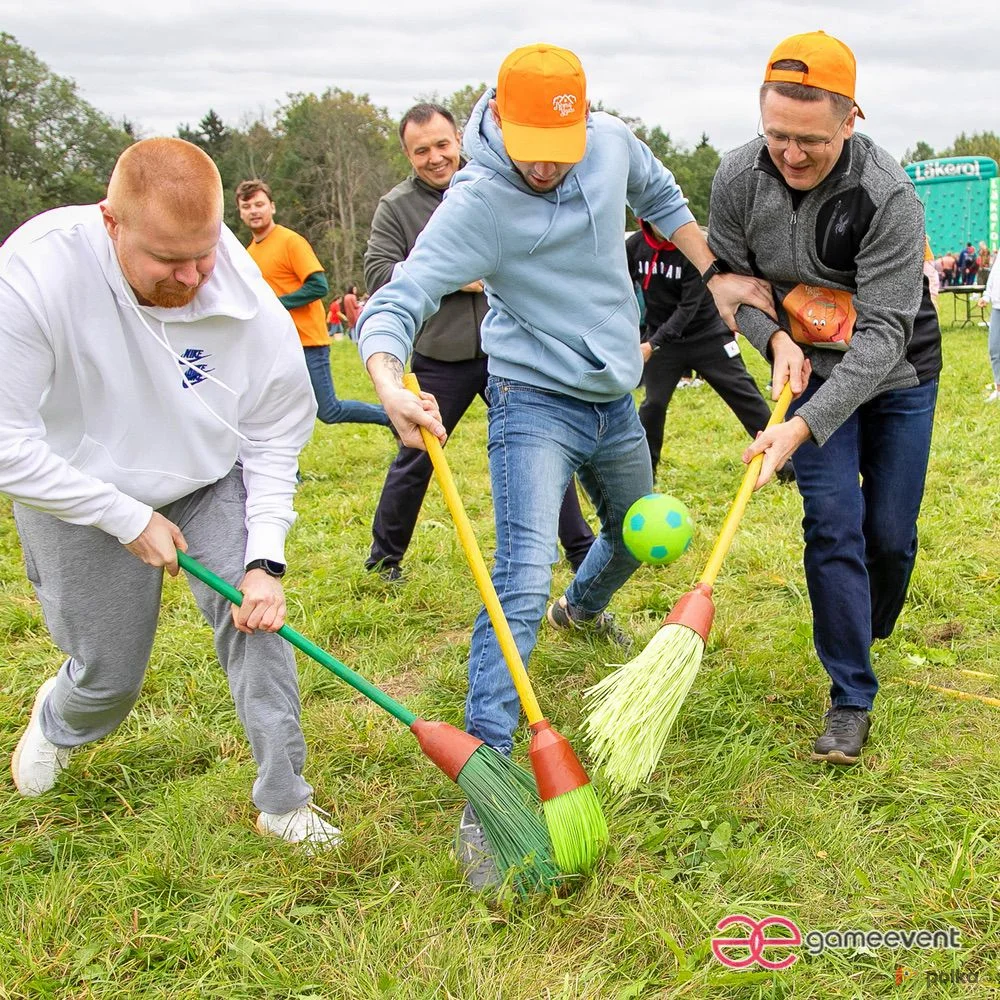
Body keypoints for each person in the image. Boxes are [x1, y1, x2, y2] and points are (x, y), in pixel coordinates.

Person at [355, 43, 772, 885]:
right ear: (499, 123)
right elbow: (398, 298)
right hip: (530, 401)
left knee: (635, 539)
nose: (547, 167)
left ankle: (579, 611)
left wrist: (716, 272)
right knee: (513, 577)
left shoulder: (610, 143)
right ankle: (491, 776)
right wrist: (387, 380)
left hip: (614, 395)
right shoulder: (474, 200)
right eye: (530, 149)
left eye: (564, 150)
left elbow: (660, 194)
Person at [3, 138, 340, 848]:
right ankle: (62, 720)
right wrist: (123, 515)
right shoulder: (34, 273)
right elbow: (7, 442)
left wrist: (265, 561)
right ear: (111, 222)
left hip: (205, 476)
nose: (191, 277)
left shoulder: (242, 294)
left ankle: (284, 799)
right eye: (167, 260)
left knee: (258, 624)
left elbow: (277, 431)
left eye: (203, 253)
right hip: (76, 486)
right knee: (110, 676)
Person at [709, 30, 942, 765]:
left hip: (898, 374)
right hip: (807, 367)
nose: (791, 153)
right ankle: (851, 696)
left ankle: (860, 628)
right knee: (834, 524)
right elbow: (732, 288)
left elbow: (880, 340)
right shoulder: (737, 179)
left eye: (810, 139)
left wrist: (801, 428)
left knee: (889, 539)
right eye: (777, 134)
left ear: (850, 121)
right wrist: (771, 337)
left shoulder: (888, 196)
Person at [363, 102, 595, 582]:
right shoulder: (396, 207)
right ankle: (384, 560)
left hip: (508, 352)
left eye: (442, 145)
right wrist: (458, 276)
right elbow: (380, 274)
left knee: (543, 448)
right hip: (439, 355)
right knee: (416, 452)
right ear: (408, 155)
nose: (435, 158)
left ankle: (582, 552)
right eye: (421, 150)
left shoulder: (496, 187)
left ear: (460, 141)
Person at [626, 218, 794, 482]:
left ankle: (787, 467)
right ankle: (646, 475)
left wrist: (651, 344)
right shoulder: (635, 247)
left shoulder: (694, 248)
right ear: (645, 219)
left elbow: (686, 309)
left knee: (745, 397)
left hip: (707, 337)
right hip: (665, 344)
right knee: (653, 405)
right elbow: (622, 288)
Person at [236, 180, 389, 429]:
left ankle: (391, 416)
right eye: (247, 206)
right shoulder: (249, 253)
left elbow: (319, 286)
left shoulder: (290, 241)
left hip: (308, 343)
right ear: (240, 213)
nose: (254, 210)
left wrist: (275, 305)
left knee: (328, 410)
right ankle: (290, 470)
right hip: (276, 346)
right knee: (281, 413)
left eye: (259, 204)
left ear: (272, 207)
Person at [978, 256, 1000, 401]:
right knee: (995, 350)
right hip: (997, 307)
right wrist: (986, 296)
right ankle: (999, 389)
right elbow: (994, 275)